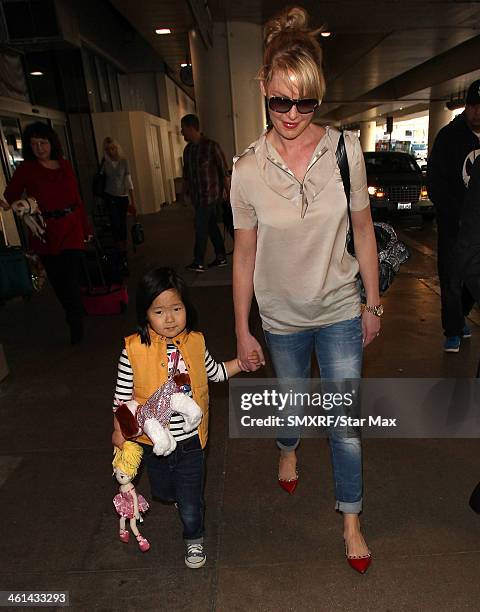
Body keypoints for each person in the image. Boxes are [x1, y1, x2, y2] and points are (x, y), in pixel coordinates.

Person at [231, 6, 381, 574]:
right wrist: (243, 329)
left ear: (318, 98)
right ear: (263, 89)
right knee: (293, 404)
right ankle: (288, 446)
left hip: (340, 306)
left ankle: (351, 519)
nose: (292, 114)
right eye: (280, 101)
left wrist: (372, 302)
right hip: (282, 318)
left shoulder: (345, 152)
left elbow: (363, 230)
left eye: (305, 102)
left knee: (345, 425)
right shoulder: (246, 170)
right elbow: (244, 254)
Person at [111, 267, 260, 568]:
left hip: (191, 440)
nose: (169, 319)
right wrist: (118, 431)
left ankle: (194, 538)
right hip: (153, 443)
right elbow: (122, 397)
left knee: (191, 500)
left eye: (176, 309)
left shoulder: (195, 342)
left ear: (186, 309)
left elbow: (215, 373)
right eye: (159, 311)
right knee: (164, 492)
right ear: (146, 315)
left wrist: (241, 364)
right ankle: (179, 496)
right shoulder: (133, 350)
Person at [3, 121, 90, 344]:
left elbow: (76, 199)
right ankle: (73, 311)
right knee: (58, 281)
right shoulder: (27, 170)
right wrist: (25, 207)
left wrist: (86, 228)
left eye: (43, 143)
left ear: (52, 143)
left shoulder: (64, 165)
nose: (40, 148)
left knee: (70, 277)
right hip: (45, 231)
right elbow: (10, 194)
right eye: (34, 144)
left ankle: (76, 319)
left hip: (70, 227)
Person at [427, 79, 480, 352]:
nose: (478, 113)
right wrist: (452, 215)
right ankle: (453, 330)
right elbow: (435, 182)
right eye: (473, 107)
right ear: (467, 107)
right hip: (453, 224)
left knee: (473, 278)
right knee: (450, 277)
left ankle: (459, 317)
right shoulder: (449, 137)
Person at [181, 114, 229, 272]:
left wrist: (228, 193)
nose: (182, 133)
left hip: (210, 196)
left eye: (183, 129)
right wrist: (184, 194)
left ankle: (199, 261)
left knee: (200, 226)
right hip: (197, 197)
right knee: (210, 226)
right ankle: (221, 256)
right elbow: (186, 175)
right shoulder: (187, 151)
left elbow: (224, 171)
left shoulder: (211, 146)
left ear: (190, 128)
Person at [102, 137, 137, 275]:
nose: (111, 151)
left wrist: (133, 202)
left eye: (113, 148)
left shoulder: (124, 162)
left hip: (122, 198)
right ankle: (119, 254)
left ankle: (124, 255)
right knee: (115, 225)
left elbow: (129, 182)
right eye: (108, 149)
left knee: (122, 225)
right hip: (110, 197)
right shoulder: (105, 163)